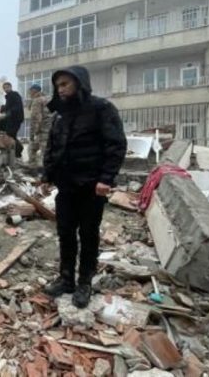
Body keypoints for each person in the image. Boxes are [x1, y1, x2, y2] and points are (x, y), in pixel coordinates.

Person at [41, 66, 127, 309]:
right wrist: (47, 174)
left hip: (91, 187)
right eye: (58, 86)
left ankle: (84, 283)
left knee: (88, 236)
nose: (61, 89)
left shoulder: (101, 109)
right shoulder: (60, 115)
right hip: (66, 186)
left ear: (80, 83)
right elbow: (52, 147)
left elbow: (116, 144)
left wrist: (106, 178)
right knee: (65, 233)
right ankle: (66, 278)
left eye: (66, 84)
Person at [0, 82, 25, 158]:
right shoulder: (8, 97)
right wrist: (3, 109)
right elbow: (8, 108)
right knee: (10, 135)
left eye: (7, 87)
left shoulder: (14, 94)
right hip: (10, 120)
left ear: (11, 87)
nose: (6, 89)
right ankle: (16, 152)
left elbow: (17, 107)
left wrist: (6, 114)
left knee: (10, 135)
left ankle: (18, 152)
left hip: (15, 119)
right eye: (4, 88)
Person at [28, 84, 52, 167]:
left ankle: (34, 169)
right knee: (47, 152)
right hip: (51, 130)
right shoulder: (49, 99)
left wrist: (33, 133)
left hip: (42, 131)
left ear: (33, 91)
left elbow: (37, 118)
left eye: (30, 92)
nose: (29, 94)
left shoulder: (37, 100)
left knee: (32, 149)